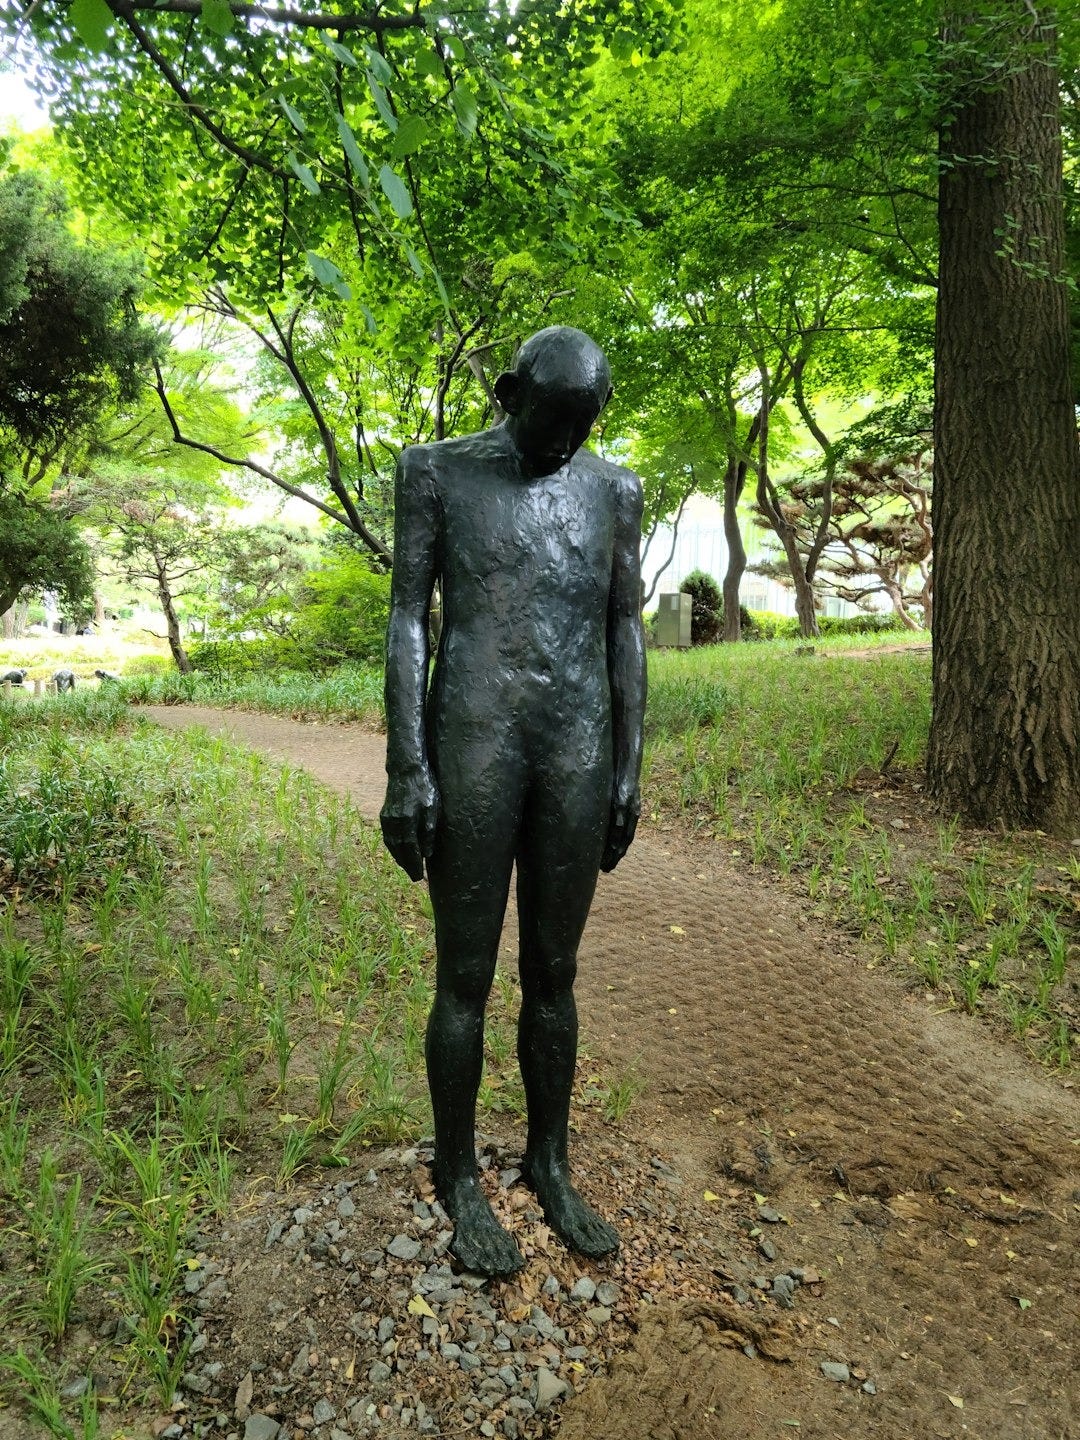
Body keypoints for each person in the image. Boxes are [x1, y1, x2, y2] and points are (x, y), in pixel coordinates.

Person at [381, 326, 646, 1276]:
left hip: (573, 749)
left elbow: (625, 627)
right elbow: (410, 618)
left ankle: (549, 1160)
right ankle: (457, 1175)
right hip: (473, 745)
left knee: (556, 971)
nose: (566, 443)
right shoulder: (435, 474)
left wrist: (628, 762)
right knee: (465, 976)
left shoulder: (615, 490)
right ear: (508, 393)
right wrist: (407, 765)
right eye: (552, 421)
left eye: (585, 426)